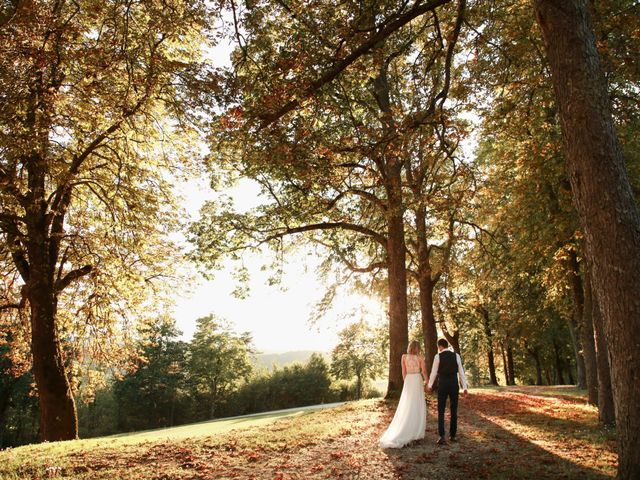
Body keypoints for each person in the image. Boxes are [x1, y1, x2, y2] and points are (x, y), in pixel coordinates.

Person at [379, 340, 427, 448]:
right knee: (417, 404)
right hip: (417, 379)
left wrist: (407, 383)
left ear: (409, 347)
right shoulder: (420, 357)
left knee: (407, 405)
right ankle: (416, 432)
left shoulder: (404, 357)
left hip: (409, 380)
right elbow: (423, 371)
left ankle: (409, 429)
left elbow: (403, 372)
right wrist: (428, 382)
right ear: (418, 348)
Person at [427, 338, 468, 445]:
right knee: (453, 410)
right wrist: (465, 387)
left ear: (440, 346)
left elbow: (434, 372)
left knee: (441, 410)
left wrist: (430, 385)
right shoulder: (456, 356)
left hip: (443, 385)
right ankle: (453, 435)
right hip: (454, 384)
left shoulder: (438, 356)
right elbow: (461, 372)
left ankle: (442, 436)